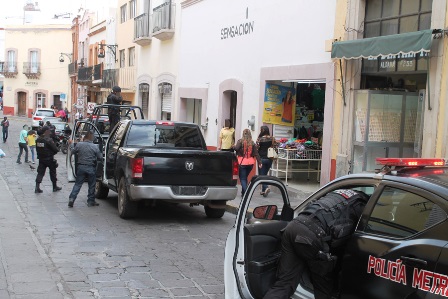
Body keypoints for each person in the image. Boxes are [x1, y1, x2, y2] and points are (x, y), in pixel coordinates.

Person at [263, 189, 369, 299]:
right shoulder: (362, 205)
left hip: (292, 227)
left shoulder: (339, 193)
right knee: (324, 288)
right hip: (312, 236)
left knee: (284, 284)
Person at [68, 130, 102, 207]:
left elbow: (73, 151)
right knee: (92, 185)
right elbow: (100, 157)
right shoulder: (94, 146)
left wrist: (71, 144)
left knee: (78, 184)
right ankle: (90, 201)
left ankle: (72, 199)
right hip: (91, 167)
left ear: (85, 137)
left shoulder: (79, 145)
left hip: (81, 167)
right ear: (92, 138)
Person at [234, 129, 261, 197]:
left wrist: (233, 146)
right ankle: (243, 193)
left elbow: (236, 148)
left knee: (242, 178)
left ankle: (246, 193)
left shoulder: (240, 141)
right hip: (251, 163)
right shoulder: (252, 143)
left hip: (242, 162)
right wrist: (259, 162)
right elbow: (256, 153)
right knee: (245, 177)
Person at [34, 126, 61, 193]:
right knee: (53, 172)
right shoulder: (48, 140)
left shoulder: (38, 140)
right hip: (49, 159)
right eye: (48, 131)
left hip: (41, 158)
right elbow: (55, 149)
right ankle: (54, 187)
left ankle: (37, 187)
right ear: (46, 131)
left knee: (40, 173)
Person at [256, 126, 277, 196]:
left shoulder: (260, 139)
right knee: (264, 174)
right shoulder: (272, 138)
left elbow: (256, 148)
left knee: (261, 176)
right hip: (269, 159)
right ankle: (263, 191)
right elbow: (276, 147)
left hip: (261, 159)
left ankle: (266, 187)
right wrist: (275, 159)